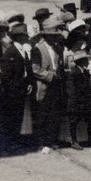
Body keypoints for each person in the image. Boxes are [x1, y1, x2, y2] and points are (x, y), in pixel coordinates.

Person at [31, 15, 66, 152]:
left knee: (54, 112)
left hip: (56, 84)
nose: (55, 38)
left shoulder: (57, 48)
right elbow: (35, 69)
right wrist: (50, 76)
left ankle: (52, 140)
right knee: (43, 112)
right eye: (52, 36)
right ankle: (42, 141)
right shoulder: (37, 48)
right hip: (44, 84)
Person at [0, 23, 32, 153]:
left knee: (17, 117)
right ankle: (9, 144)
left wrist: (28, 83)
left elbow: (26, 70)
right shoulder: (11, 52)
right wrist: (14, 89)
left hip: (21, 89)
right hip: (12, 93)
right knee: (11, 118)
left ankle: (14, 143)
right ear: (19, 37)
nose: (27, 38)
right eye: (24, 35)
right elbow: (5, 75)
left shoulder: (22, 51)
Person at [64, 49, 91, 150]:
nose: (88, 61)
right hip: (76, 101)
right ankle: (74, 141)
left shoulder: (85, 72)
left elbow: (88, 86)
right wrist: (75, 102)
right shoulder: (73, 73)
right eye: (85, 60)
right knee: (74, 120)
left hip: (85, 100)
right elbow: (71, 90)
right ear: (81, 61)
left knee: (90, 118)